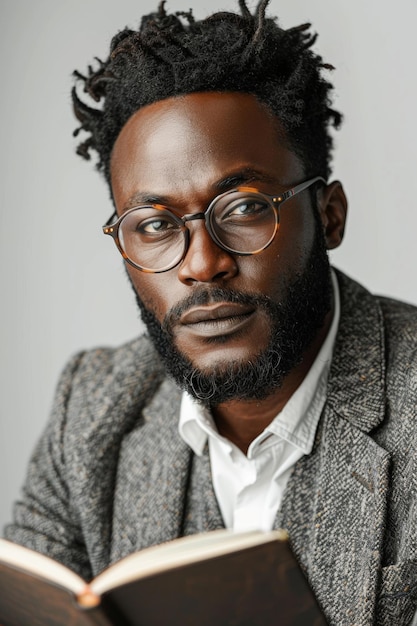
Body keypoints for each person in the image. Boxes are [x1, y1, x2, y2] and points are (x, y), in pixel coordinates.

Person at [4, 1, 417, 624]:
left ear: (329, 216)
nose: (201, 264)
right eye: (154, 225)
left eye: (246, 208)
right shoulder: (89, 410)